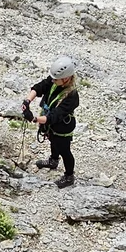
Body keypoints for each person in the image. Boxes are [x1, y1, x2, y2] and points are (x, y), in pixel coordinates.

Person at [24, 57, 81, 188]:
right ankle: (53, 160)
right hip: (50, 121)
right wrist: (27, 101)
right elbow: (40, 87)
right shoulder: (56, 80)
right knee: (52, 140)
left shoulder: (72, 96)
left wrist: (34, 119)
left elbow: (55, 116)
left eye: (56, 79)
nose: (53, 81)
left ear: (66, 78)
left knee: (64, 150)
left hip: (63, 126)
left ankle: (69, 176)